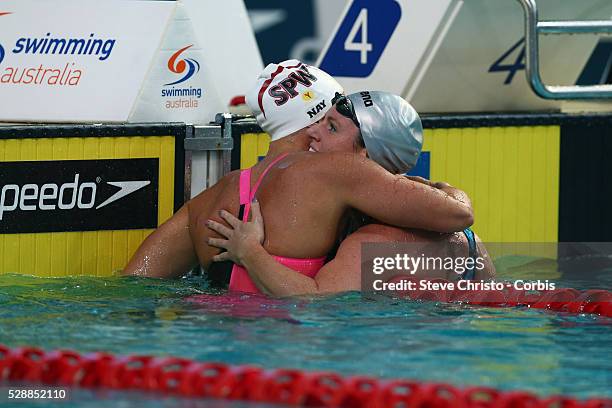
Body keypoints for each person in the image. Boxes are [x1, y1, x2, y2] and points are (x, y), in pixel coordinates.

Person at [123, 61, 474, 291]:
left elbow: (133, 286)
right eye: (332, 118)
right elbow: (456, 215)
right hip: (289, 344)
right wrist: (445, 188)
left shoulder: (214, 197)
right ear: (317, 118)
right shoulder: (340, 171)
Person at [206, 91, 495, 296]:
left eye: (331, 127)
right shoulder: (467, 238)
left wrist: (249, 252)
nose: (314, 133)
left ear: (364, 157)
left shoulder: (370, 243)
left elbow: (313, 300)